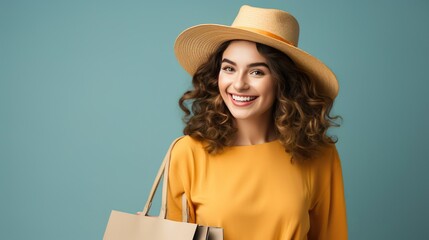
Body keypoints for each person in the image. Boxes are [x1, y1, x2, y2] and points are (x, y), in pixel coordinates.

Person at [166, 5, 347, 240]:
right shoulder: (187, 153)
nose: (239, 84)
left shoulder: (319, 154)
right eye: (229, 68)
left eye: (257, 72)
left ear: (283, 81)